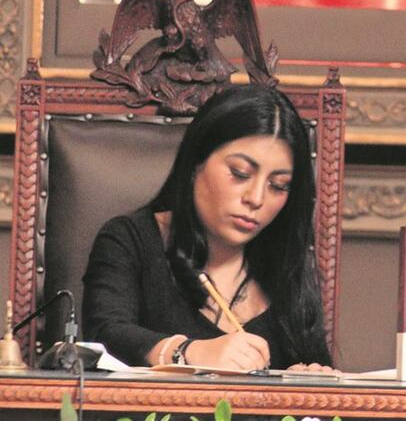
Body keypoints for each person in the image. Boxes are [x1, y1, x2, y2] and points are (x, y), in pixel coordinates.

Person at [83, 84, 333, 371]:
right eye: (240, 174)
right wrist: (189, 352)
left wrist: (311, 380)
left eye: (278, 186)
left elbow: (315, 366)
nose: (256, 198)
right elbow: (104, 338)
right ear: (195, 162)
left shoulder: (284, 261)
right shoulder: (129, 239)